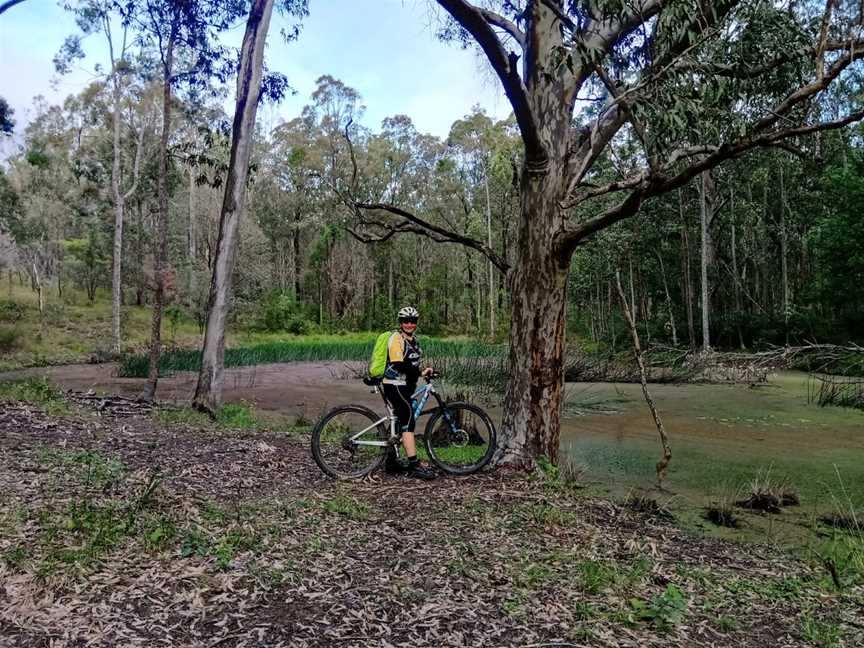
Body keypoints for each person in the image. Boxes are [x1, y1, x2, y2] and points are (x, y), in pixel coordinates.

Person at [381, 306, 436, 480]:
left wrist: (423, 370)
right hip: (394, 384)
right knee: (408, 420)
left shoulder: (413, 340)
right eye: (406, 320)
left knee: (398, 420)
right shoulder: (396, 339)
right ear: (400, 322)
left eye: (413, 321)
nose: (409, 324)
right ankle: (414, 465)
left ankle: (391, 460)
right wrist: (419, 373)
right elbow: (398, 364)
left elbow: (411, 364)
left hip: (404, 386)